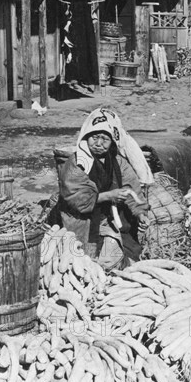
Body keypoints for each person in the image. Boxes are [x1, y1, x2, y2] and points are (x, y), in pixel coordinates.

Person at [58, 108, 152, 271]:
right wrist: (108, 196)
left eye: (105, 139)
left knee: (130, 253)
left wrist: (140, 213)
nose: (99, 143)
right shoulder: (77, 162)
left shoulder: (118, 162)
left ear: (112, 142)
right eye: (95, 137)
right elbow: (76, 198)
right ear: (87, 136)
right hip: (83, 220)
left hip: (109, 217)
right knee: (88, 259)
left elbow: (131, 187)